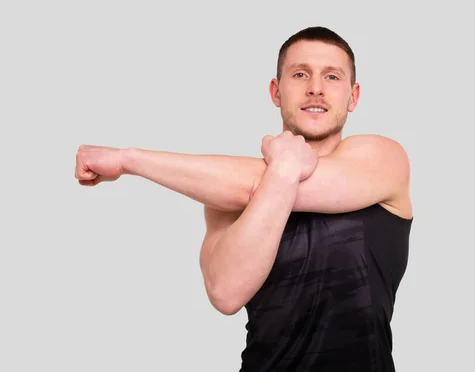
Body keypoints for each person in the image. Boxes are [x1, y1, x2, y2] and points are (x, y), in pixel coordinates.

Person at [75, 26, 413, 371]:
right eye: (300, 74)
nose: (316, 88)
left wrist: (127, 159)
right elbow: (226, 293)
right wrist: (284, 168)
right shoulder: (223, 191)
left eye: (332, 76)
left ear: (353, 97)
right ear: (276, 91)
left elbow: (278, 187)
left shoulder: (383, 158)